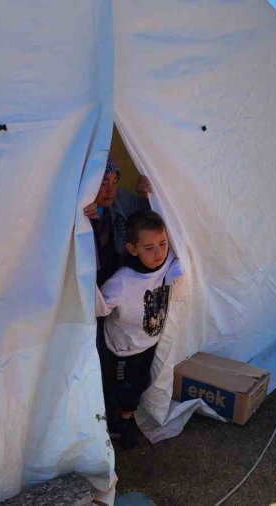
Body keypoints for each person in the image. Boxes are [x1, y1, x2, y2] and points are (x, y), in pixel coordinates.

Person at [96, 210, 183, 449]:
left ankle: (126, 416)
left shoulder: (167, 263)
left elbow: (179, 261)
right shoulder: (122, 281)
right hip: (123, 348)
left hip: (149, 342)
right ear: (132, 249)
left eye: (163, 244)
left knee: (141, 382)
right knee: (121, 387)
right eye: (149, 248)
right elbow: (98, 307)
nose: (159, 253)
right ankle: (117, 424)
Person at [84, 158, 154, 286]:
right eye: (103, 183)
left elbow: (147, 214)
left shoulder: (120, 199)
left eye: (114, 182)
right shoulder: (77, 205)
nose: (110, 190)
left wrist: (144, 196)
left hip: (116, 275)